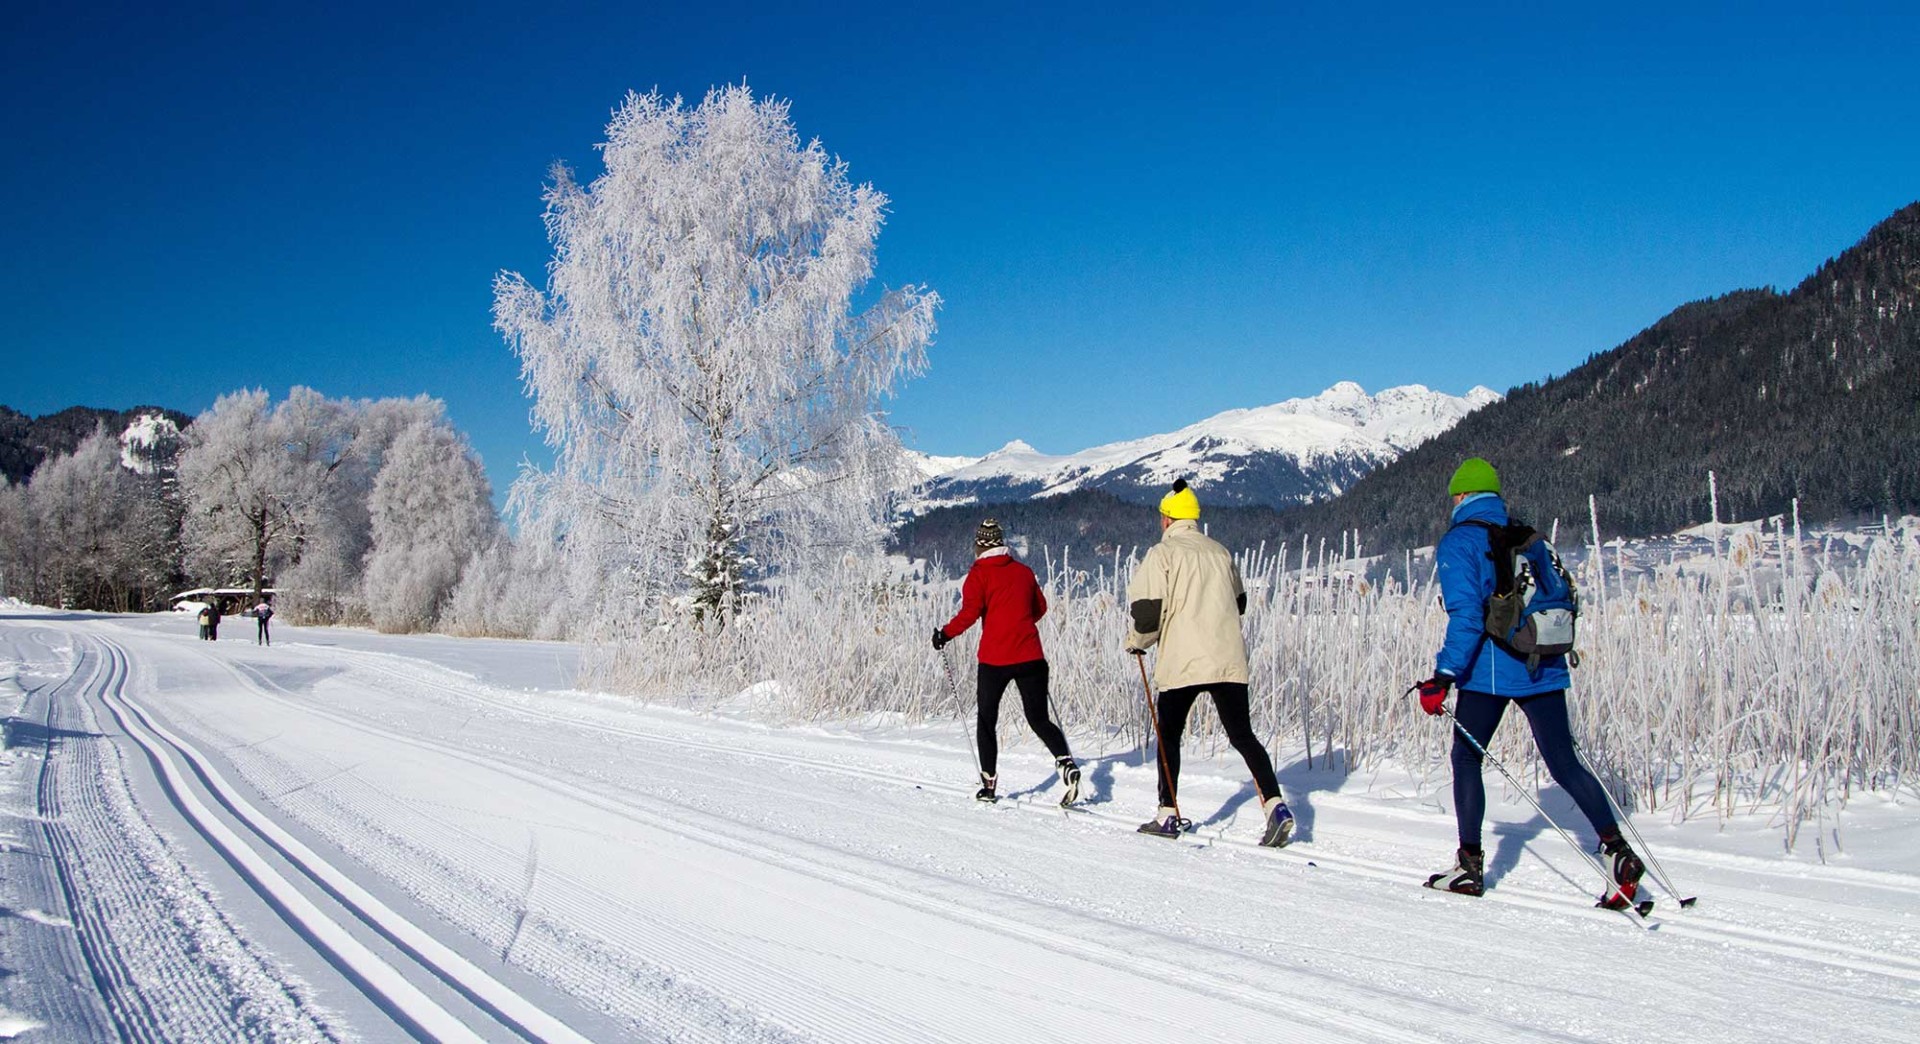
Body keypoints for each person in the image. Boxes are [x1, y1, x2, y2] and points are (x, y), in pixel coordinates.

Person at [1418, 457, 1644, 900]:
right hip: (1546, 662)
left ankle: (1469, 866)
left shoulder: (1460, 542)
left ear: (1461, 497)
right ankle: (1616, 850)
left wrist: (1443, 675)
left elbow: (1465, 616)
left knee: (1467, 758)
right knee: (1564, 762)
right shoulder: (1528, 536)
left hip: (1491, 671)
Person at [1125, 480, 1293, 847]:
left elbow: (1147, 614)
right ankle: (1277, 806)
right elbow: (1240, 603)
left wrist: (1137, 644)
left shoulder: (1162, 555)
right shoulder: (1220, 552)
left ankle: (1168, 814)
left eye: (1162, 517)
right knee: (1242, 735)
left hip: (1183, 661)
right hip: (1227, 658)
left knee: (1169, 735)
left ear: (1168, 519)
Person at [932, 519, 1081, 805]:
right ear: (1001, 545)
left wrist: (944, 635)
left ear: (979, 547)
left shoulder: (978, 576)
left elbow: (970, 614)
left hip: (994, 660)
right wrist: (1019, 625)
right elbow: (1040, 607)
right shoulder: (1024, 572)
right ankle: (1066, 763)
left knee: (987, 719)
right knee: (1039, 718)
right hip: (1031, 656)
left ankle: (989, 784)